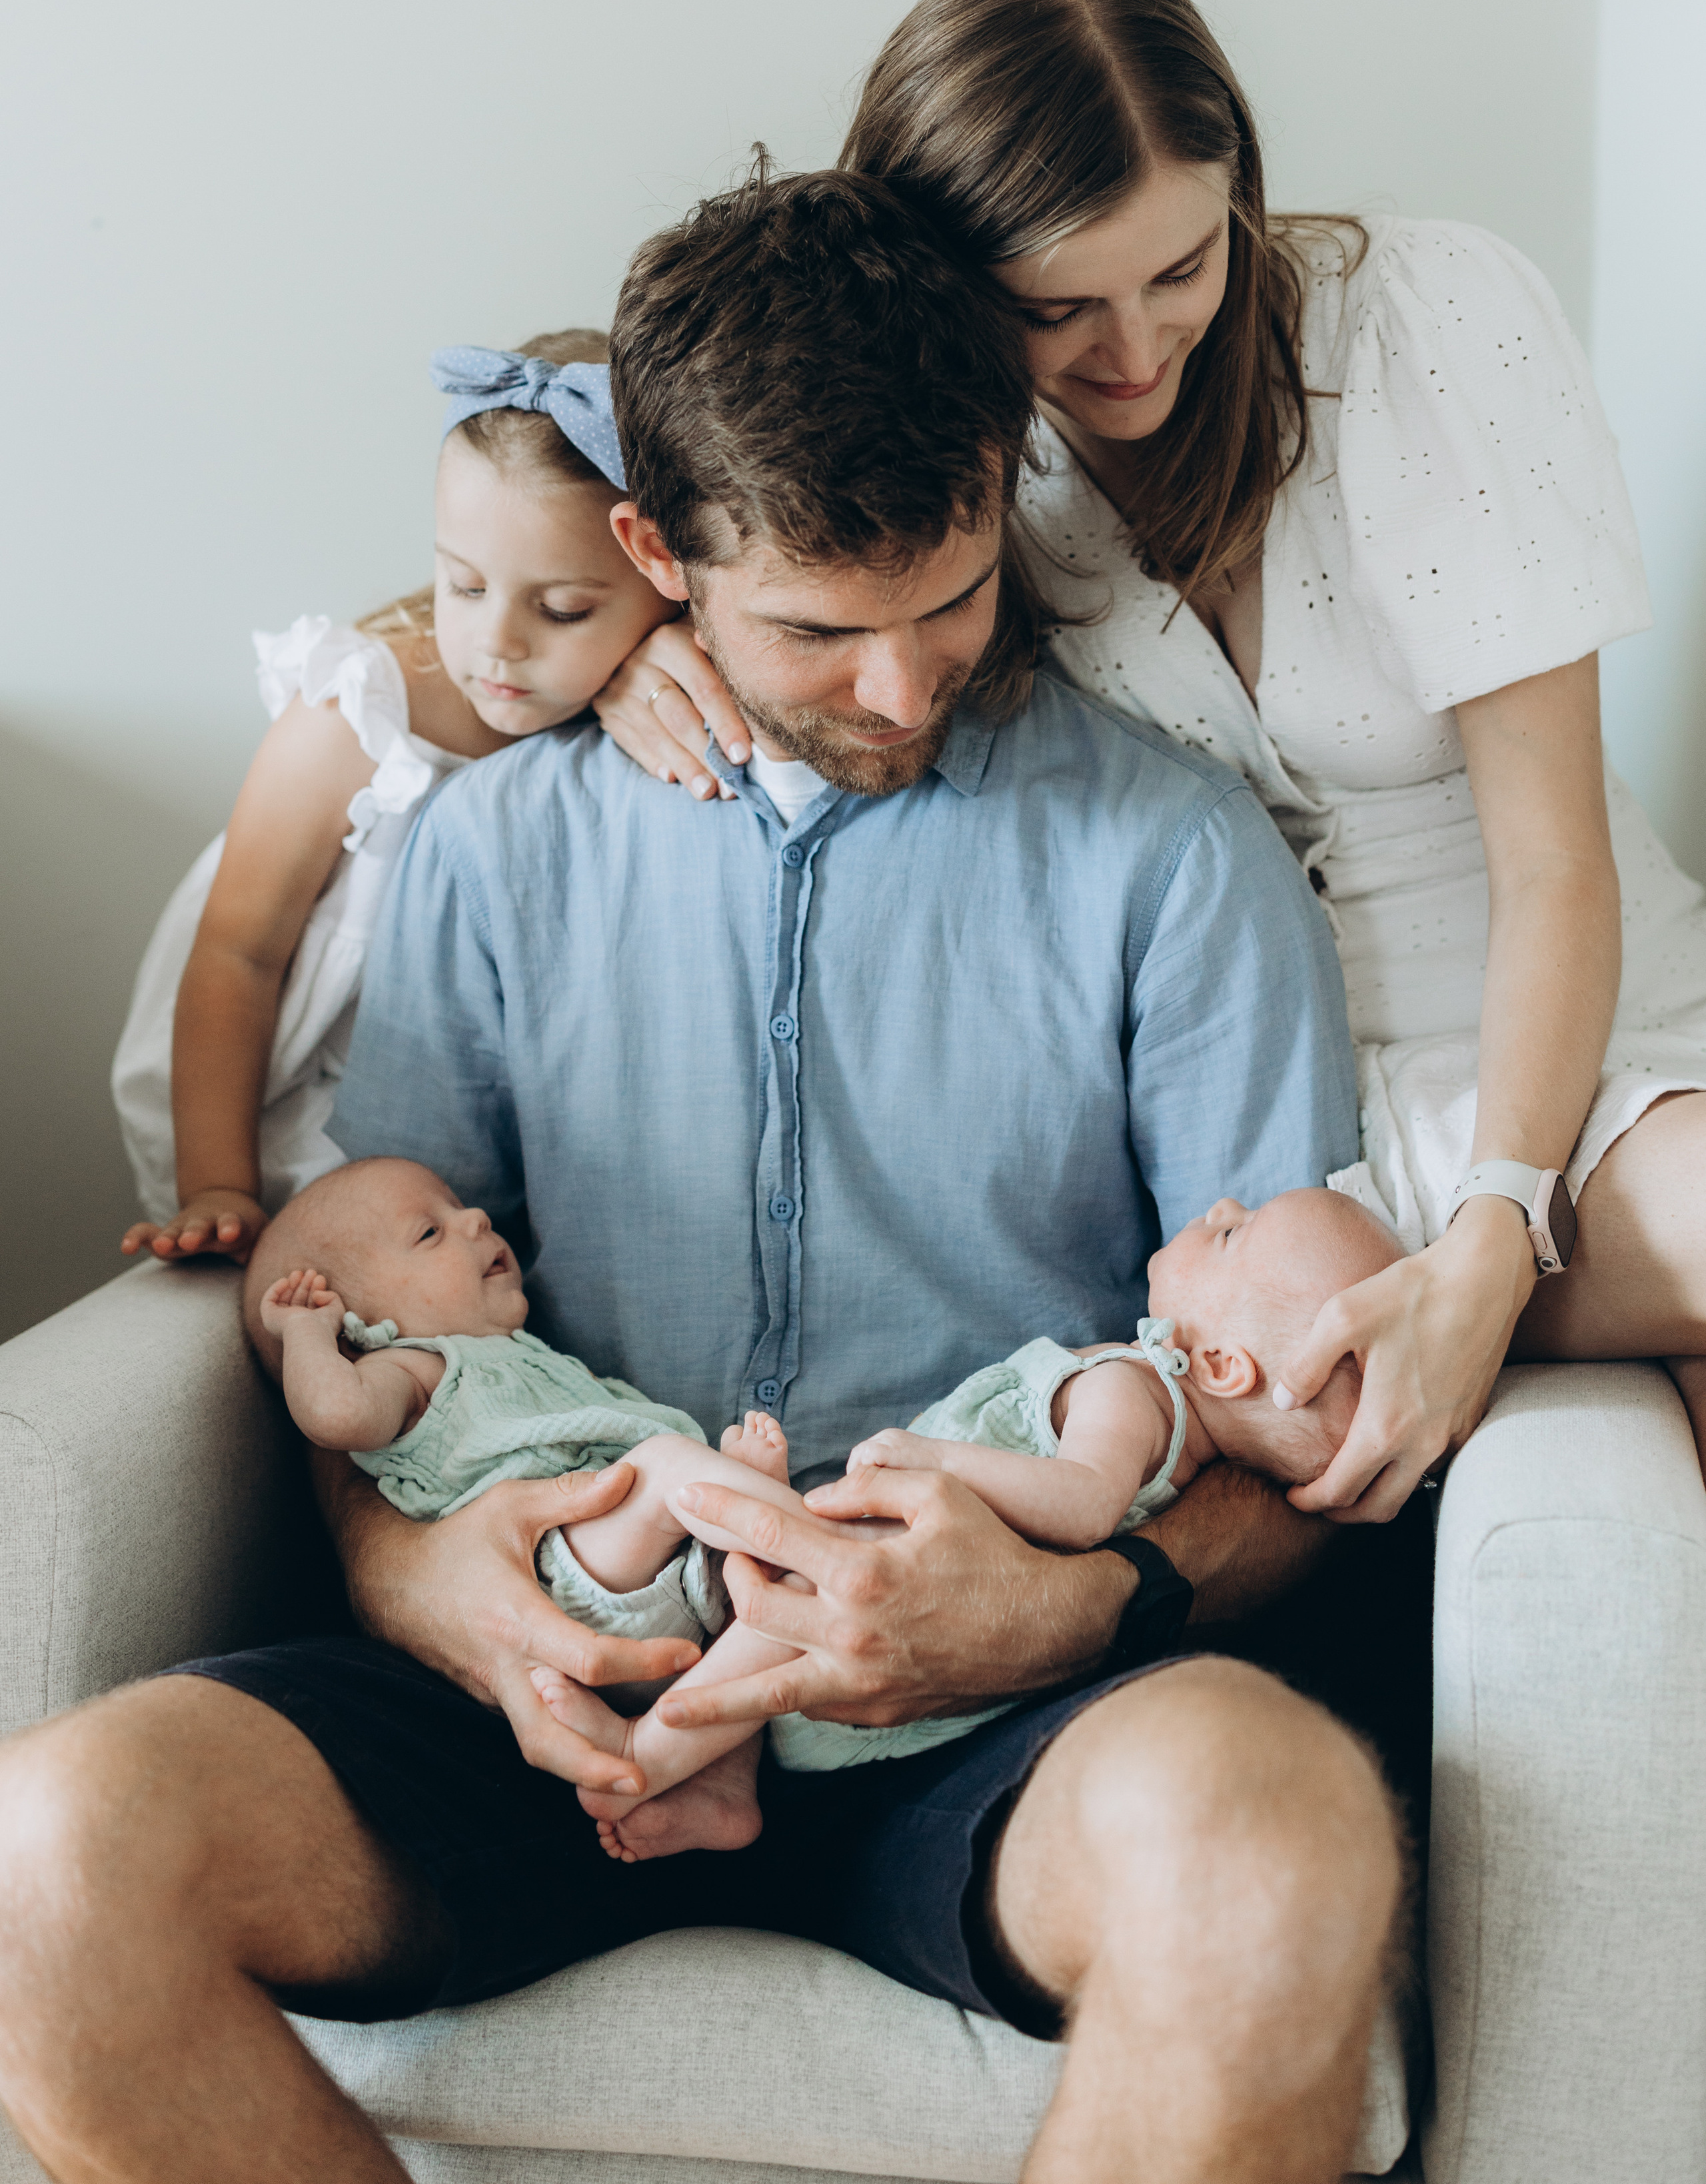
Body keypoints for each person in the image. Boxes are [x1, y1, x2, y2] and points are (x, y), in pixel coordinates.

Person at [0, 166, 1400, 2184]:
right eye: (822, 632)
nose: (905, 690)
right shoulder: (494, 858)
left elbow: (1311, 1406)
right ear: (659, 552)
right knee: (46, 1862)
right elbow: (358, 1287)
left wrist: (1064, 1601)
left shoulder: (1174, 860)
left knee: (1272, 1840)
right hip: (568, 1661)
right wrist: (428, 1587)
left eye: (951, 598)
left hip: (999, 1712)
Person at [597, 0, 1706, 1522]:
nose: (1132, 355)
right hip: (1269, 1153)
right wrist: (624, 646)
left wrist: (1490, 1239)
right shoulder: (946, 458)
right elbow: (598, 484)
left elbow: (1553, 863)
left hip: (1566, 1044)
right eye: (1059, 308)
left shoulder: (1421, 322)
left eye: (1182, 270)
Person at [251, 1159, 1392, 1865]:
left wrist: (1063, 1598)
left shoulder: (1134, 1389)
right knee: (96, 1821)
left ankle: (676, 1759)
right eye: (431, 1226)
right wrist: (393, 1567)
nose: (475, 1215)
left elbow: (1274, 1464)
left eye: (1234, 1231)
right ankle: (692, 1755)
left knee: (1252, 1809)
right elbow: (334, 1375)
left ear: (1229, 1365)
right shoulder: (485, 842)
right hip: (582, 1600)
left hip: (944, 1640)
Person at [112, 332, 674, 1265]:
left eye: (564, 608)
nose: (497, 644)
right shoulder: (357, 715)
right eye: (465, 583)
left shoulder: (643, 712)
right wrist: (217, 1183)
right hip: (286, 1107)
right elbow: (237, 954)